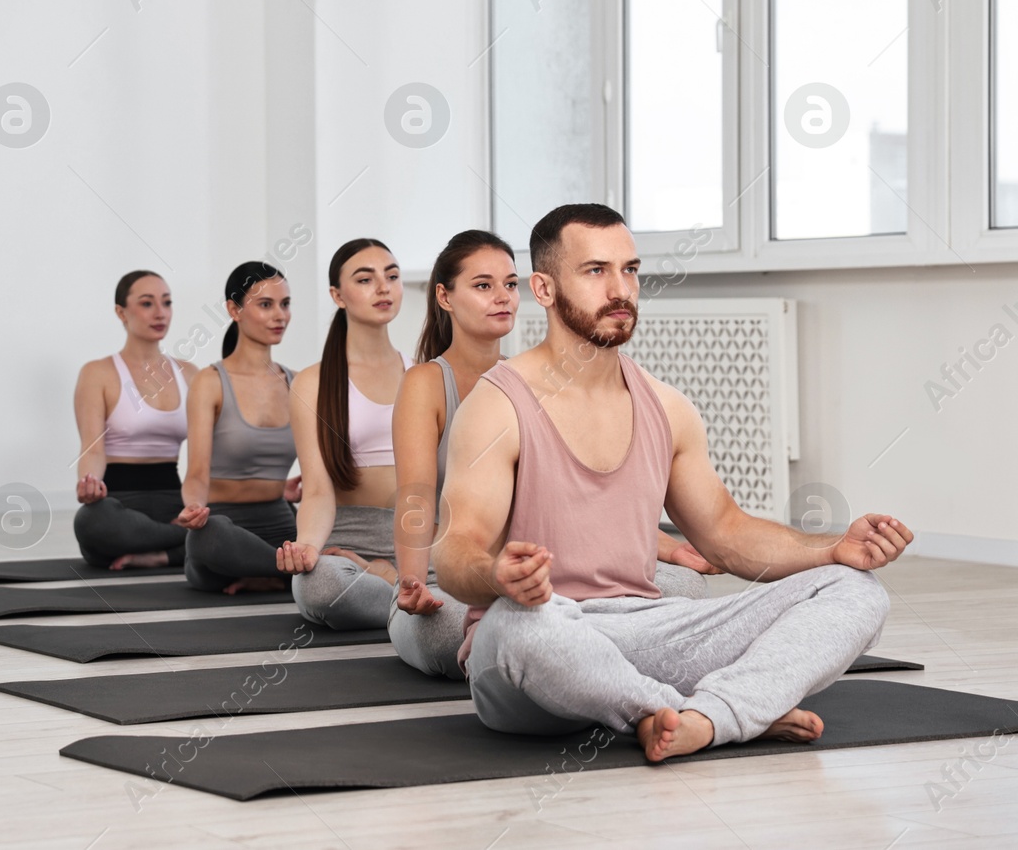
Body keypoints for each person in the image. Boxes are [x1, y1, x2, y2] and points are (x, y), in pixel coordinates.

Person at [434, 204, 910, 761]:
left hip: (645, 632)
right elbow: (455, 552)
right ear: (543, 287)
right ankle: (719, 710)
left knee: (855, 591)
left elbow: (726, 534)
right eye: (596, 271)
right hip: (539, 646)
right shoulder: (497, 405)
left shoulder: (667, 406)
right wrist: (495, 574)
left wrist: (833, 549)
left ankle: (698, 717)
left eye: (630, 270)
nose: (620, 289)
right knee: (522, 627)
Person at [391, 230, 714, 679]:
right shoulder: (426, 382)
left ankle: (582, 656)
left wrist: (676, 552)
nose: (502, 296)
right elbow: (416, 497)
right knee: (451, 632)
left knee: (687, 590)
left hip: (538, 587)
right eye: (483, 286)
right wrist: (414, 583)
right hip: (455, 577)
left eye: (509, 284)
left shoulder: (531, 380)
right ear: (445, 297)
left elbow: (581, 511)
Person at [281, 239, 409, 629]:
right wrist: (307, 548)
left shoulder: (425, 373)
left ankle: (405, 589)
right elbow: (317, 490)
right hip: (348, 544)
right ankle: (411, 599)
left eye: (391, 276)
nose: (383, 287)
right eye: (365, 279)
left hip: (420, 539)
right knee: (321, 587)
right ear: (338, 295)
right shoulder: (312, 382)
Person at [177, 262, 302, 593]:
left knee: (324, 539)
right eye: (265, 305)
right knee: (208, 540)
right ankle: (291, 572)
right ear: (234, 309)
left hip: (280, 522)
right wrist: (193, 506)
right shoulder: (210, 382)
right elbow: (197, 473)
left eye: (285, 304)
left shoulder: (299, 383)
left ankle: (274, 571)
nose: (280, 315)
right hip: (223, 524)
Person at [71, 270, 199, 569]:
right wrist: (88, 485)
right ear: (121, 312)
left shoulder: (190, 374)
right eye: (146, 303)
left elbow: (211, 453)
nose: (160, 313)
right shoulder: (97, 373)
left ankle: (161, 553)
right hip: (118, 506)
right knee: (91, 522)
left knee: (242, 511)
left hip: (176, 500)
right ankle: (181, 541)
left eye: (167, 303)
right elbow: (92, 449)